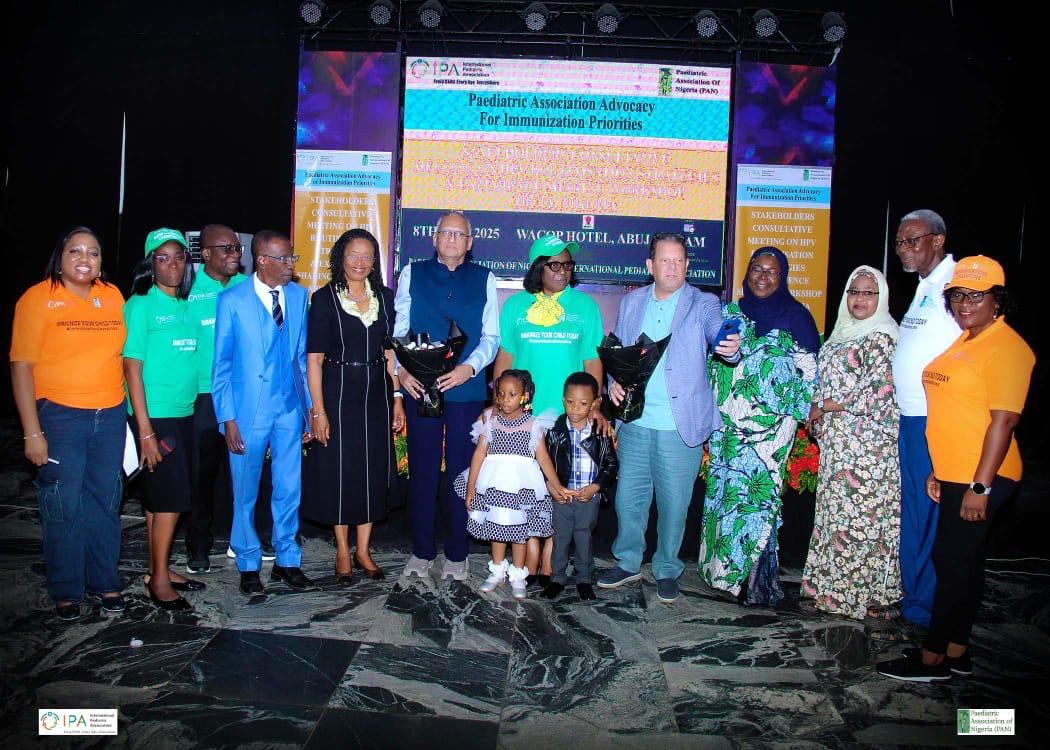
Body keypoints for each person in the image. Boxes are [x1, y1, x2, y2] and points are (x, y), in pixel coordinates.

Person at [878, 256, 1034, 681]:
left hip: (981, 476)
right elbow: (958, 412)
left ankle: (932, 659)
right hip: (954, 472)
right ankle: (957, 650)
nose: (965, 304)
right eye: (958, 295)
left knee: (950, 562)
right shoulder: (967, 340)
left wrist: (980, 487)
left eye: (976, 296)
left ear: (997, 299)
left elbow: (1003, 422)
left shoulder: (1007, 347)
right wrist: (938, 470)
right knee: (963, 561)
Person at [597, 232, 741, 604]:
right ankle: (628, 562)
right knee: (629, 500)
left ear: (687, 265)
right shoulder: (632, 302)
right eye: (665, 260)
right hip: (636, 422)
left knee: (675, 505)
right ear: (651, 265)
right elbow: (619, 352)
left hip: (679, 425)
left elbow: (718, 334)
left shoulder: (704, 303)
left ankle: (666, 569)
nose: (673, 268)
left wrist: (728, 347)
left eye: (679, 261)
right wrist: (614, 383)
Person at [10, 226, 128, 621]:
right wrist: (32, 432)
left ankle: (105, 581)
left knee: (106, 501)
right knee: (62, 504)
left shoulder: (111, 296)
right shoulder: (37, 298)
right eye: (75, 251)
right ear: (60, 258)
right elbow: (21, 368)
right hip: (59, 416)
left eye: (93, 253)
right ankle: (66, 589)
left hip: (110, 415)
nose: (85, 259)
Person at [699, 246, 819, 607]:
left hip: (770, 434)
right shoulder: (730, 314)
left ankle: (754, 582)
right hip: (727, 430)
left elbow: (810, 375)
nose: (763, 277)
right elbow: (711, 364)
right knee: (725, 500)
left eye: (772, 271)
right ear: (747, 272)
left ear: (782, 278)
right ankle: (722, 576)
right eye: (757, 269)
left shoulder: (797, 317)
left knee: (757, 501)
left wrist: (800, 412)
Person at [494, 234, 606, 586]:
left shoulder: (585, 306)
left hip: (569, 418)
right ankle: (529, 550)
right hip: (523, 418)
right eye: (554, 264)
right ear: (538, 268)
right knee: (528, 491)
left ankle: (549, 556)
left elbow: (593, 361)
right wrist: (497, 406)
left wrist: (595, 405)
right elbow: (506, 358)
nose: (562, 271)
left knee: (560, 492)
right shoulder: (515, 306)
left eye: (567, 265)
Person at [396, 210, 499, 581]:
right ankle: (422, 550)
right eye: (446, 233)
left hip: (465, 389)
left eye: (460, 234)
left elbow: (491, 336)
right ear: (434, 238)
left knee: (462, 471)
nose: (452, 239)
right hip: (420, 386)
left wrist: (469, 368)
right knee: (422, 470)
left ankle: (458, 551)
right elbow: (400, 330)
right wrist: (401, 371)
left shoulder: (485, 278)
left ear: (470, 243)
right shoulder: (413, 273)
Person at [212, 229, 312, 595]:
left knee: (289, 487)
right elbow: (221, 365)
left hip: (288, 409)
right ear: (262, 260)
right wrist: (227, 418)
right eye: (283, 259)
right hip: (247, 412)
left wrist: (309, 410)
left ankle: (287, 560)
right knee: (245, 491)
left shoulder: (299, 297)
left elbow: (300, 359)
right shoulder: (232, 300)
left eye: (292, 258)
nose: (290, 265)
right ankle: (248, 562)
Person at [304, 229, 405, 583]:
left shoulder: (385, 298)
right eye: (353, 255)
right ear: (340, 259)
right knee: (340, 471)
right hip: (338, 393)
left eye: (367, 256)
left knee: (372, 471)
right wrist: (318, 411)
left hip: (377, 394)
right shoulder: (323, 299)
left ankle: (364, 550)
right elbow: (314, 360)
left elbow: (390, 354)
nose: (360, 263)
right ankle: (342, 551)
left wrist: (397, 398)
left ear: (375, 261)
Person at [801, 266, 902, 620]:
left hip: (868, 450)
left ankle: (858, 597)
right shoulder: (840, 333)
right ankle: (830, 591)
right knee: (836, 518)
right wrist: (816, 413)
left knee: (860, 521)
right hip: (837, 446)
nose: (860, 299)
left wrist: (822, 407)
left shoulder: (883, 337)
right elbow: (824, 380)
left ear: (881, 298)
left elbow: (877, 391)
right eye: (854, 292)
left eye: (868, 293)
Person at [124, 228, 204, 611]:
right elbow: (131, 368)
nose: (172, 264)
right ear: (150, 264)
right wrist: (145, 431)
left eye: (179, 256)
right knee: (170, 499)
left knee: (158, 500)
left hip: (183, 413)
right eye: (163, 257)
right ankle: (158, 581)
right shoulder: (141, 305)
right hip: (156, 417)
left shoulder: (185, 305)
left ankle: (159, 568)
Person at [889, 209, 959, 636]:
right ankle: (914, 598)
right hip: (912, 417)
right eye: (899, 242)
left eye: (911, 240)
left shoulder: (955, 285)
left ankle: (925, 611)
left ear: (937, 240)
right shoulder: (924, 285)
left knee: (929, 515)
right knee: (915, 513)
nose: (903, 249)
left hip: (936, 419)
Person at [456, 370, 564, 599]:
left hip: (521, 486)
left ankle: (518, 575)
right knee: (497, 528)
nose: (505, 399)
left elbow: (544, 459)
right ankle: (497, 571)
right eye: (501, 394)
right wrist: (471, 488)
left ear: (525, 396)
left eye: (512, 394)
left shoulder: (534, 425)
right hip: (494, 483)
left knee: (519, 532)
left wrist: (557, 485)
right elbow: (479, 455)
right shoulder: (491, 423)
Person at [183, 224, 249, 574]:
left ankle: (245, 538)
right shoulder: (187, 290)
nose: (234, 254)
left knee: (245, 474)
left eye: (237, 248)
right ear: (205, 253)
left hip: (242, 396)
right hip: (204, 397)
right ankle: (198, 546)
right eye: (226, 248)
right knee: (202, 475)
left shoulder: (248, 287)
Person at [541, 372, 619, 601]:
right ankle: (557, 578)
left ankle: (584, 578)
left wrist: (596, 487)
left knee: (584, 538)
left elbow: (611, 464)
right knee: (560, 538)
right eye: (570, 402)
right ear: (563, 400)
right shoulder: (554, 431)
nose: (575, 408)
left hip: (588, 498)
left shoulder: (599, 431)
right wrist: (552, 486)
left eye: (583, 403)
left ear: (594, 403)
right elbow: (544, 462)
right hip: (562, 496)